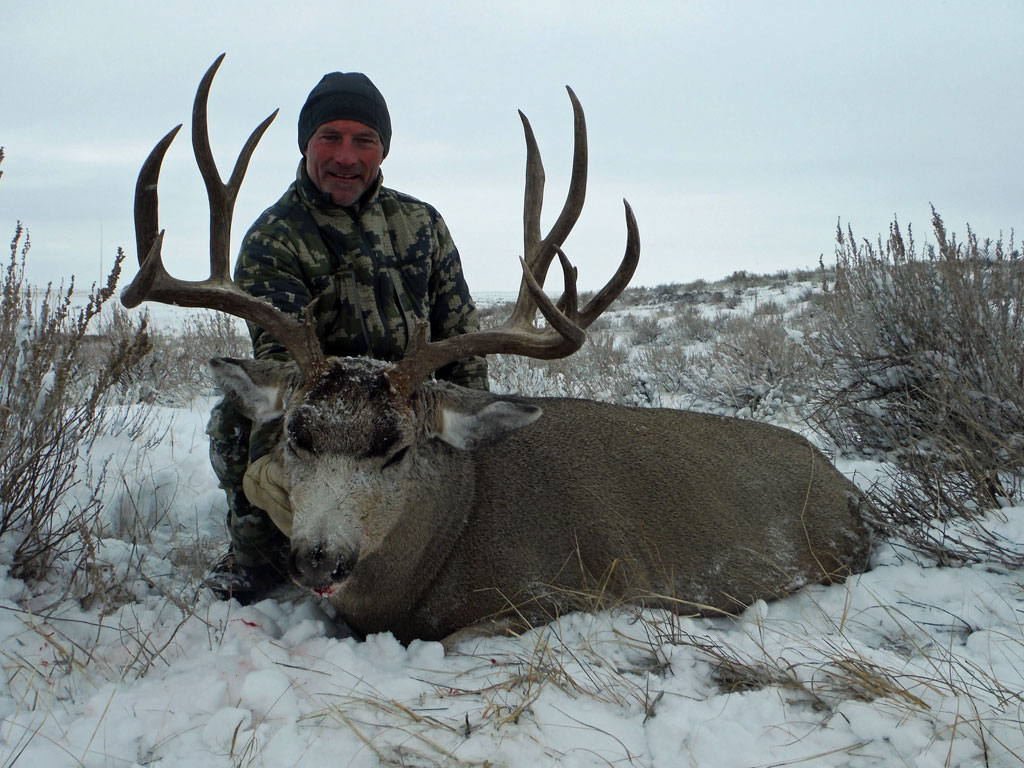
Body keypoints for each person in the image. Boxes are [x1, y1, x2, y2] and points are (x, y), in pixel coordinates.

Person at [205, 71, 489, 603]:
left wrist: (475, 433)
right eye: (329, 137)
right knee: (233, 423)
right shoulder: (274, 238)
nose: (346, 156)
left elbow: (460, 336)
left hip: (407, 415)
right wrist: (279, 474)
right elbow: (281, 363)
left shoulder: (421, 223)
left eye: (365, 141)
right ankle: (255, 556)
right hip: (326, 412)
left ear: (382, 150)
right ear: (306, 144)